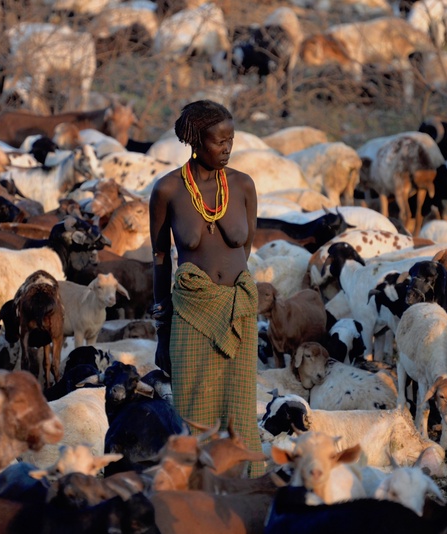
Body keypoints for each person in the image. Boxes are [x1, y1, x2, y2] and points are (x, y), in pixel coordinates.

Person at [149, 100, 264, 476]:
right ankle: (192, 491)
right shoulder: (167, 190)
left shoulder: (243, 185)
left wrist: (233, 291)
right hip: (190, 313)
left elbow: (244, 251)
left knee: (239, 411)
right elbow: (160, 259)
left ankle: (242, 492)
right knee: (193, 407)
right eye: (219, 141)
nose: (227, 148)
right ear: (197, 141)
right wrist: (161, 332)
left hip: (237, 313)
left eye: (231, 140)